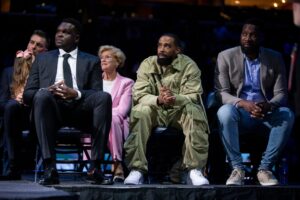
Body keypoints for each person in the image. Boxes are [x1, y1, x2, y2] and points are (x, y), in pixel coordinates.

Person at [23, 18, 112, 185]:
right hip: (51, 110)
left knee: (104, 97)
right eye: (58, 31)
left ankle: (95, 168)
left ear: (76, 38)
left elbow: (96, 93)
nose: (59, 34)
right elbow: (28, 95)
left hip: (80, 110)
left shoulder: (91, 61)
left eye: (65, 32)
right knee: (41, 95)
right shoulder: (42, 59)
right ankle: (50, 168)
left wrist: (76, 93)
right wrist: (47, 90)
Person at [215, 18, 294, 186]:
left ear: (261, 38)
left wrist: (269, 105)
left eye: (253, 35)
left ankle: (265, 169)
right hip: (240, 114)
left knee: (287, 114)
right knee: (224, 112)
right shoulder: (225, 56)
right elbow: (221, 93)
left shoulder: (275, 58)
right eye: (244, 34)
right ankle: (237, 169)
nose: (247, 39)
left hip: (265, 114)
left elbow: (281, 94)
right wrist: (243, 103)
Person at [123, 33, 210, 186]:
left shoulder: (189, 65)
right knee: (140, 111)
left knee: (194, 111)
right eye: (159, 45)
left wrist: (175, 98)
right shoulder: (147, 64)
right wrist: (158, 99)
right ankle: (137, 169)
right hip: (156, 109)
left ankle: (194, 169)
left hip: (178, 110)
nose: (161, 49)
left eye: (167, 46)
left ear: (178, 50)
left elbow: (194, 95)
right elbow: (140, 94)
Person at [0, 30, 49, 180]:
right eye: (31, 42)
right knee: (10, 107)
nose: (33, 47)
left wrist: (28, 98)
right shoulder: (9, 72)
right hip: (12, 115)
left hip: (34, 116)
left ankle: (12, 167)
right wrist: (16, 100)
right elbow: (1, 102)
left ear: (44, 51)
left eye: (38, 45)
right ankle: (12, 166)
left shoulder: (45, 73)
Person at [97, 45, 134, 182]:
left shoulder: (127, 83)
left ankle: (117, 164)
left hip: (117, 122)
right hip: (95, 123)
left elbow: (122, 110)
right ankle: (98, 166)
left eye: (108, 57)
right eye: (101, 58)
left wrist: (101, 114)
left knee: (112, 118)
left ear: (117, 62)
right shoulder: (95, 82)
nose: (103, 60)